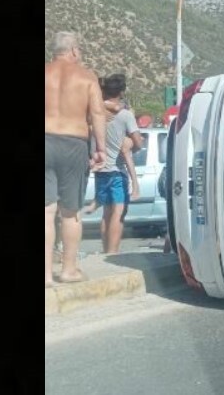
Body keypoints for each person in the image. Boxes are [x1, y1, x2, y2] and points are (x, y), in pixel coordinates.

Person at [45, 31, 106, 288]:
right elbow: (97, 114)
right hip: (73, 144)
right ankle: (68, 270)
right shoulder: (87, 77)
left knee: (46, 212)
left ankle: (45, 275)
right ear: (73, 51)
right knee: (70, 213)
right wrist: (100, 149)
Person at [92, 74, 143, 254]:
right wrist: (130, 147)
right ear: (121, 92)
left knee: (106, 213)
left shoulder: (97, 112)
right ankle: (112, 253)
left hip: (100, 169)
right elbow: (138, 142)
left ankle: (105, 249)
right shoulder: (125, 115)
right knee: (118, 213)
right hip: (117, 169)